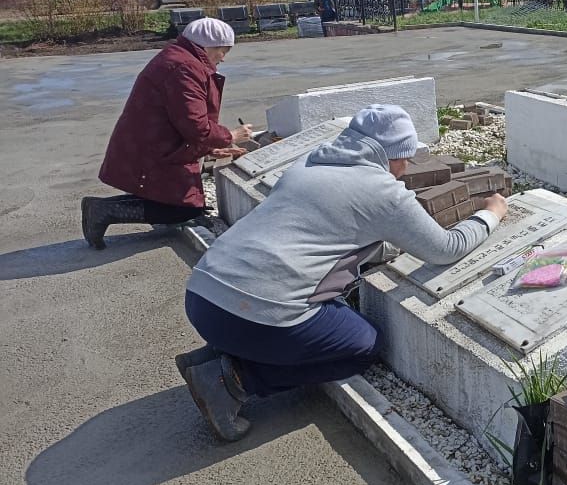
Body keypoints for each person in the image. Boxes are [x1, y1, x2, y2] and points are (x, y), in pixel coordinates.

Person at [177, 105, 508, 441]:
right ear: (393, 155)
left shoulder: (310, 162)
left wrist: (389, 248)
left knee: (325, 313)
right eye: (407, 157)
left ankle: (213, 355)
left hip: (202, 297)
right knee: (362, 344)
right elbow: (446, 249)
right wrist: (491, 214)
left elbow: (326, 234)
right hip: (254, 317)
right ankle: (233, 381)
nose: (406, 169)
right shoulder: (382, 190)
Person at [82, 17, 251, 249]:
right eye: (223, 50)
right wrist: (230, 135)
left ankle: (100, 209)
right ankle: (104, 210)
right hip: (154, 149)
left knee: (178, 200)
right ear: (208, 46)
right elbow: (195, 126)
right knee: (181, 210)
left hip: (154, 143)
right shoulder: (185, 68)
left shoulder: (181, 58)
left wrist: (211, 148)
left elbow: (183, 119)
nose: (223, 58)